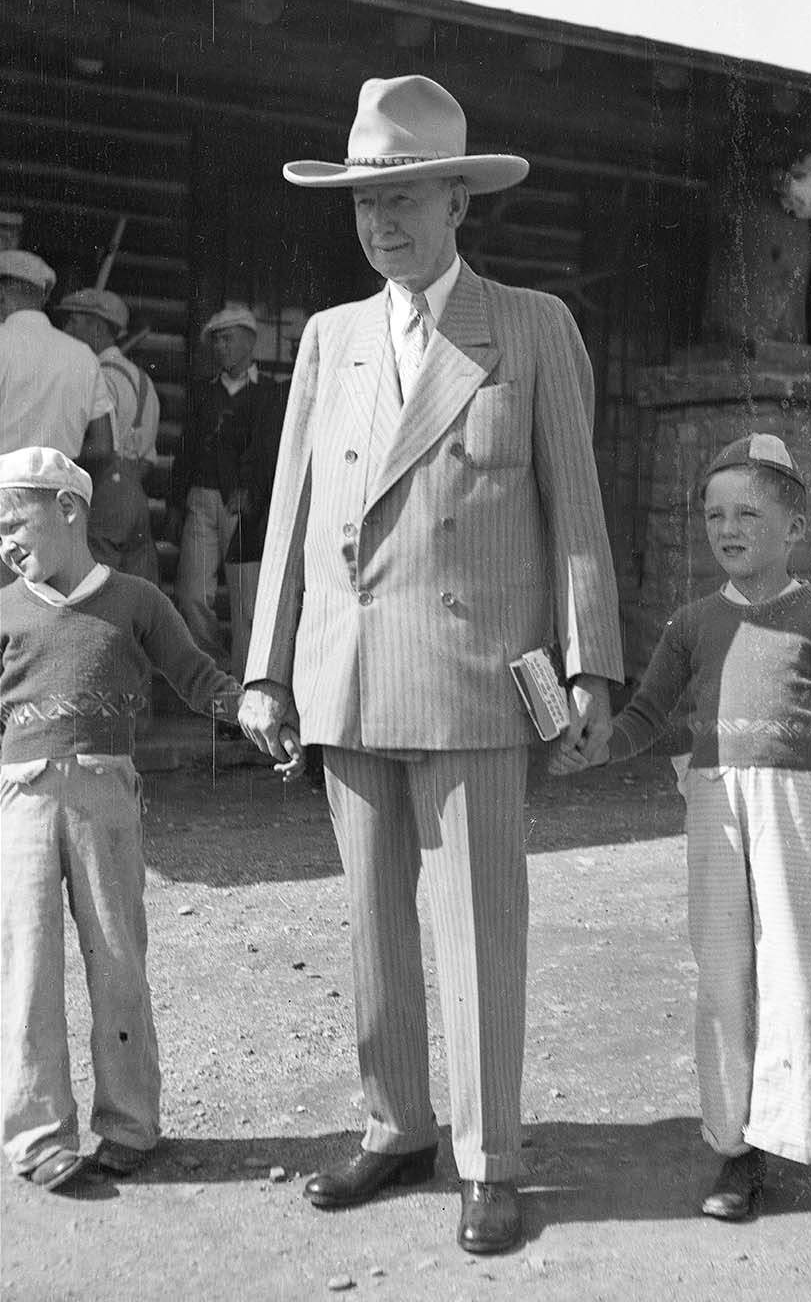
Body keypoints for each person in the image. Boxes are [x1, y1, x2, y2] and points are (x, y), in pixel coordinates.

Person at [238, 74, 624, 1254]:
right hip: (346, 673)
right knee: (369, 920)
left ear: (461, 201)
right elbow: (292, 511)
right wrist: (265, 666)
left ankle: (487, 1154)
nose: (384, 223)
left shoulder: (532, 324)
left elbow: (577, 511)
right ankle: (396, 1119)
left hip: (477, 677)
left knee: (476, 926)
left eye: (406, 197)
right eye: (366, 202)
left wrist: (592, 666)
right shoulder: (329, 337)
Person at [559, 433, 811, 1252]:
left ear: (795, 528)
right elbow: (643, 717)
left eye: (748, 514)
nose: (727, 529)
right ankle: (735, 1151)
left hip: (796, 808)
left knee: (802, 977)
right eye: (713, 515)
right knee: (722, 978)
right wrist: (596, 746)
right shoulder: (693, 623)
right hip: (713, 805)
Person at [0, 446, 303, 1193]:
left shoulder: (137, 601)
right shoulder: (4, 608)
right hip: (22, 799)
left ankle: (129, 1122)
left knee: (118, 957)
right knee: (26, 966)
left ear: (68, 510)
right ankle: (38, 1137)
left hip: (107, 797)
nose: (5, 541)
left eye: (15, 521)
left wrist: (253, 710)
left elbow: (198, 675)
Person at [167, 304, 282, 680]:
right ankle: (219, 679)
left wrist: (252, 493)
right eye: (215, 340)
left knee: (246, 604)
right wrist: (174, 503)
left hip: (246, 509)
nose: (220, 347)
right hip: (201, 500)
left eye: (227, 338)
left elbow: (270, 452)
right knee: (191, 596)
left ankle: (244, 687)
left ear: (250, 342)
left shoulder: (269, 393)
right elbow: (184, 451)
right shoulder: (203, 393)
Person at [0, 252, 114, 585]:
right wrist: (54, 462)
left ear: (2, 294)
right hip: (59, 504)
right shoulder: (82, 355)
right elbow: (105, 447)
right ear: (43, 297)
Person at [59, 287, 161, 585]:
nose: (66, 330)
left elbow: (100, 445)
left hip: (104, 492)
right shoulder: (144, 380)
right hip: (135, 492)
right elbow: (149, 457)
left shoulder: (97, 376)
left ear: (98, 327)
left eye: (74, 322)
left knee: (97, 592)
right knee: (134, 591)